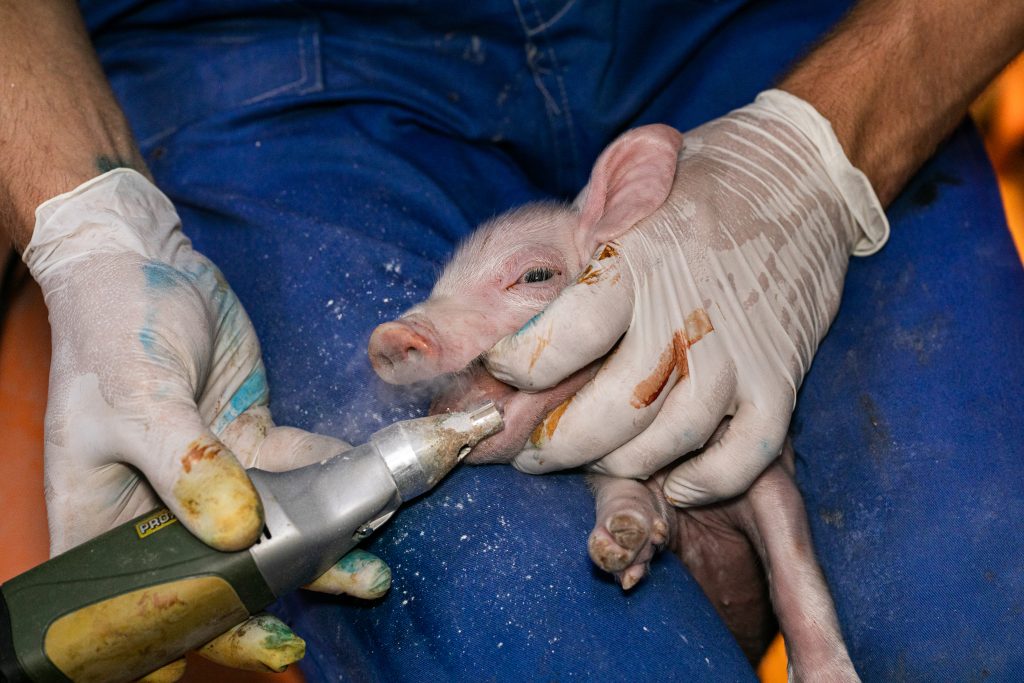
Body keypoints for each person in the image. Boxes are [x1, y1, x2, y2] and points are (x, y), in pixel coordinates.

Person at [2, 0, 1022, 680]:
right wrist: (87, 218)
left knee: (981, 600)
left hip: (798, 23)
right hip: (256, 43)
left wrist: (810, 154)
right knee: (536, 639)